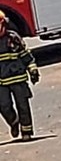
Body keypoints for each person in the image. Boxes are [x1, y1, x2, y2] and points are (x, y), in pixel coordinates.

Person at [0, 10, 39, 141]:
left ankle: (26, 132)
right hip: (1, 82)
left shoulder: (13, 38)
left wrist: (32, 69)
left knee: (23, 106)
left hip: (18, 78)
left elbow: (25, 54)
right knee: (4, 106)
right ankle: (13, 121)